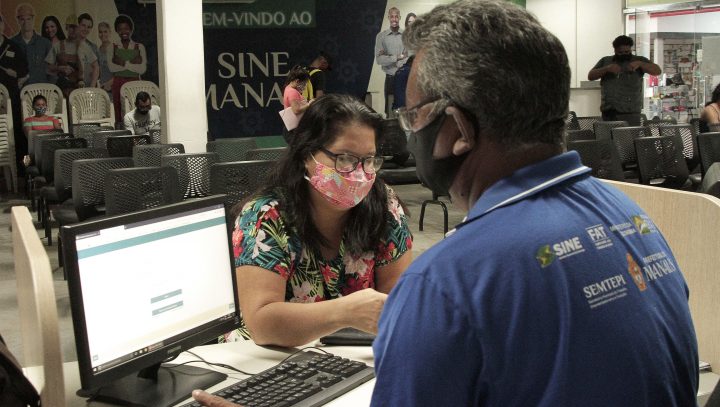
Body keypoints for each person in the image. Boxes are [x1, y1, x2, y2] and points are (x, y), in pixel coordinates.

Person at [369, 1, 698, 406]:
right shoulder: (633, 219)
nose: (410, 130)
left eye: (414, 115)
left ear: (457, 127)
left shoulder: (445, 285)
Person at [220, 93, 412, 349]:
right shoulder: (265, 216)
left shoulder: (383, 205)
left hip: (351, 355)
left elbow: (396, 305)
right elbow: (261, 323)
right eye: (344, 158)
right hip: (266, 357)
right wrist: (344, 312)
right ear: (306, 154)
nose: (359, 174)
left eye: (368, 160)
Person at [588, 35, 661, 121]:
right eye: (620, 52)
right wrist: (606, 69)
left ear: (630, 49)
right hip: (609, 111)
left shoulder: (639, 60)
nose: (624, 55)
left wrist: (640, 64)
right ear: (615, 50)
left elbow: (657, 71)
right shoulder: (606, 61)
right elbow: (591, 76)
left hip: (632, 111)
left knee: (631, 130)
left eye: (627, 52)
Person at [0, 14, 29, 177]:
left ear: (3, 25)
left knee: (18, 134)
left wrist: (16, 74)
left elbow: (24, 72)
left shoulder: (13, 47)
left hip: (12, 99)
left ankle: (25, 168)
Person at [108, 14, 147, 126]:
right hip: (118, 82)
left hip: (135, 82)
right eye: (120, 29)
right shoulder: (112, 47)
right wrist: (132, 63)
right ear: (116, 30)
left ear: (131, 29)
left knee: (135, 108)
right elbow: (112, 67)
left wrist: (123, 63)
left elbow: (142, 69)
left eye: (126, 28)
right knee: (118, 109)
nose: (123, 31)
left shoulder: (139, 47)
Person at [45, 14, 95, 98]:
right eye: (71, 27)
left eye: (76, 27)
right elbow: (47, 68)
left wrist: (92, 86)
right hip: (62, 90)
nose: (73, 30)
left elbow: (96, 67)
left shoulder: (84, 46)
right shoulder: (58, 46)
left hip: (80, 90)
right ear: (66, 27)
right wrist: (60, 68)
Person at [375, 7, 408, 118]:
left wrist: (388, 56)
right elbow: (379, 60)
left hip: (403, 79)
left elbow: (408, 58)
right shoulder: (381, 36)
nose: (394, 19)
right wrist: (398, 57)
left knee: (404, 112)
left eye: (396, 16)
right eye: (392, 16)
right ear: (388, 17)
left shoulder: (406, 36)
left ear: (400, 17)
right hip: (390, 79)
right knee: (389, 112)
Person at [11, 3, 52, 87]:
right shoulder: (11, 43)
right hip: (19, 91)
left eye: (28, 19)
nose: (26, 22)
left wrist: (50, 89)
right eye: (22, 19)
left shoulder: (45, 43)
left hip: (42, 91)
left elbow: (52, 70)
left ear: (33, 19)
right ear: (18, 20)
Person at [281, 65, 310, 142]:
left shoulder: (288, 88)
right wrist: (309, 104)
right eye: (304, 83)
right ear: (297, 81)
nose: (305, 85)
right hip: (294, 131)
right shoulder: (292, 92)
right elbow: (296, 110)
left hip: (294, 130)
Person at [76, 13, 100, 88]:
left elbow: (97, 69)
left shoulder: (93, 47)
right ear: (78, 25)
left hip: (89, 88)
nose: (86, 29)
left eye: (89, 27)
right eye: (83, 25)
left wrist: (92, 87)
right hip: (72, 87)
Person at [97, 22, 114, 97]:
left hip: (113, 88)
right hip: (102, 89)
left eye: (105, 31)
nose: (103, 34)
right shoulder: (98, 50)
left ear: (110, 32)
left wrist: (109, 84)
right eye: (100, 32)